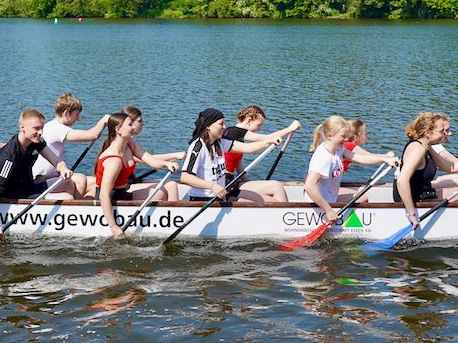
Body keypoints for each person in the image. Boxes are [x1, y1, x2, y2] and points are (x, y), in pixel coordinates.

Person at [0, 109, 76, 240]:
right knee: (67, 197)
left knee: (68, 182)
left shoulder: (36, 142)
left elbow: (56, 161)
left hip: (28, 186)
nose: (41, 132)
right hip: (13, 195)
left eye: (42, 128)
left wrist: (63, 169)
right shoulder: (9, 156)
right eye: (36, 128)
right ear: (22, 128)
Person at [393, 112, 458, 230]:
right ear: (428, 132)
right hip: (415, 199)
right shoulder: (417, 149)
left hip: (423, 193)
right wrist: (411, 214)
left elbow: (449, 167)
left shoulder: (426, 146)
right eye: (442, 131)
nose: (446, 134)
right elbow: (402, 180)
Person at [94, 111, 181, 239]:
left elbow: (151, 161)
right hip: (111, 198)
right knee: (161, 193)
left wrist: (166, 164)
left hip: (123, 192)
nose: (133, 127)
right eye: (130, 125)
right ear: (118, 130)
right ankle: (169, 223)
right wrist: (113, 225)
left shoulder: (131, 145)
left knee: (165, 189)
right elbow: (104, 195)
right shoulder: (113, 160)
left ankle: (173, 221)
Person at [304, 115, 400, 223]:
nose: (346, 139)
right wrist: (328, 210)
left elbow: (360, 158)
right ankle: (351, 225)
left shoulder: (339, 149)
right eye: (342, 136)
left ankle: (349, 225)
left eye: (346, 136)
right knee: (361, 199)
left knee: (363, 198)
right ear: (330, 136)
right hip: (318, 202)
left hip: (330, 197)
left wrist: (385, 159)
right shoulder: (324, 157)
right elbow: (309, 186)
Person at [180, 108, 282, 204]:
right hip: (203, 201)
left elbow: (249, 148)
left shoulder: (220, 143)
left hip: (221, 196)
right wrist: (212, 186)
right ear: (208, 126)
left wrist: (269, 141)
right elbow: (185, 177)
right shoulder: (198, 146)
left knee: (273, 202)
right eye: (221, 124)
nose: (224, 127)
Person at [31, 92, 107, 198]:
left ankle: (85, 204)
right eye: (76, 115)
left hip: (53, 175)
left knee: (94, 182)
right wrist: (104, 120)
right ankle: (75, 205)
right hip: (41, 178)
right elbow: (92, 135)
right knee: (80, 179)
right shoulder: (56, 128)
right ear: (66, 113)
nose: (78, 119)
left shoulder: (53, 126)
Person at [220, 105, 300, 202]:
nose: (260, 128)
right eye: (259, 125)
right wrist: (290, 128)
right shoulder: (236, 132)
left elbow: (238, 166)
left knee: (277, 186)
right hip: (226, 184)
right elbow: (267, 138)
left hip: (232, 181)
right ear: (249, 120)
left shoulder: (235, 136)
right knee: (275, 196)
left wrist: (250, 184)